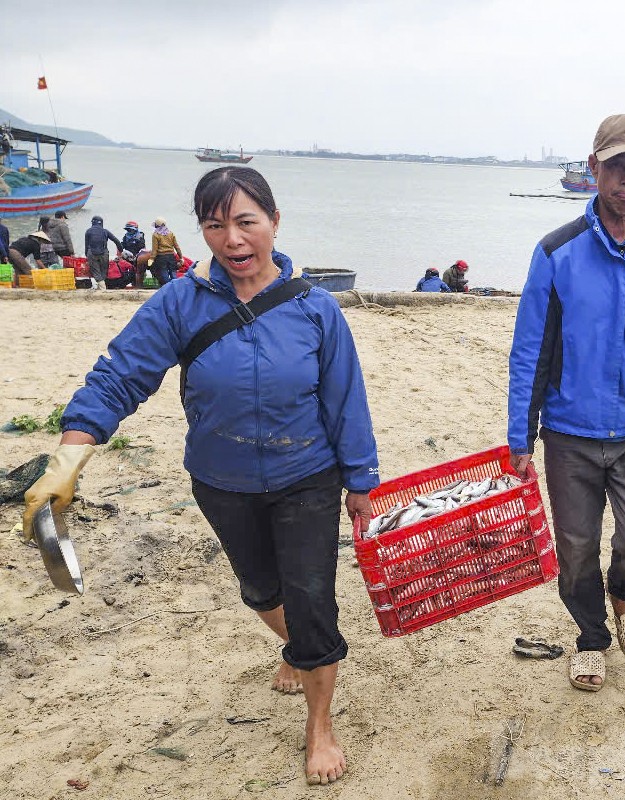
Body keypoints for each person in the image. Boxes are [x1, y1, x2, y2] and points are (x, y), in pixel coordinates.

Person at [23, 166, 377, 785]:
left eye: (246, 222)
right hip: (222, 479)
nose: (232, 239)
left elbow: (346, 400)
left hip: (306, 476)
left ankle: (319, 724)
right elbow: (120, 376)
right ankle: (292, 646)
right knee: (261, 590)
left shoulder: (316, 310)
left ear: (273, 223)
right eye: (215, 226)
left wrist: (360, 481)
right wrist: (65, 465)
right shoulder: (179, 302)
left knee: (313, 602)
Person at [507, 113, 625, 692]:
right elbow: (529, 354)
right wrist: (521, 437)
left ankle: (624, 594)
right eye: (616, 166)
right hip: (568, 432)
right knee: (574, 550)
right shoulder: (556, 252)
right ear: (594, 168)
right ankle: (591, 637)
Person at [83, 216, 122, 289]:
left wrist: (87, 255)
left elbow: (86, 245)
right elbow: (116, 241)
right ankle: (102, 287)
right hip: (104, 254)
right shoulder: (105, 231)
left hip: (92, 254)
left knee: (96, 271)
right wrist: (121, 250)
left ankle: (102, 288)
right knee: (104, 271)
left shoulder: (88, 231)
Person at [148, 217, 184, 287]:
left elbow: (154, 249)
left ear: (157, 225)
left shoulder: (155, 235)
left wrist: (151, 259)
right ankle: (176, 287)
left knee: (164, 273)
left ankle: (168, 287)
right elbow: (177, 247)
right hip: (171, 256)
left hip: (161, 257)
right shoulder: (170, 233)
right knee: (173, 272)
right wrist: (181, 257)